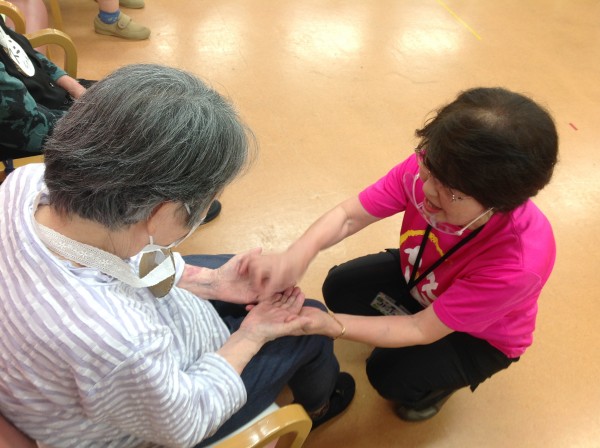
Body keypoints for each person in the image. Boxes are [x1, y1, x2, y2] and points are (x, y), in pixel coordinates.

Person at [0, 64, 354, 447]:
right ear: (160, 212)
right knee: (308, 326)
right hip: (152, 412)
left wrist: (210, 282)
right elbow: (185, 423)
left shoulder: (25, 184)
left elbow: (124, 261)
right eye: (204, 203)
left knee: (253, 281)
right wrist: (251, 335)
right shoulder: (120, 343)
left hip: (101, 362)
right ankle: (318, 405)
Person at [246, 87, 559, 421]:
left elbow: (420, 329)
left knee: (388, 375)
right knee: (340, 287)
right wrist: (295, 256)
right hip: (423, 277)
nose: (427, 189)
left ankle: (437, 388)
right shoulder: (442, 167)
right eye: (429, 167)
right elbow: (349, 216)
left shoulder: (518, 263)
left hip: (476, 336)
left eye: (451, 193)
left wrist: (328, 325)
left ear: (499, 204)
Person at [0, 15, 90, 169]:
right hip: (37, 144)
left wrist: (75, 88)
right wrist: (99, 115)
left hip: (56, 104)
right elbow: (30, 125)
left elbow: (25, 52)